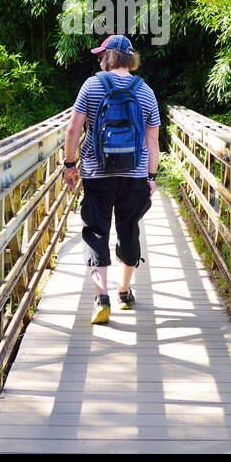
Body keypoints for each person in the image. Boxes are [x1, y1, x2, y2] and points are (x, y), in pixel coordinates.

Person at [63, 34, 161, 325]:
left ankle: (101, 297)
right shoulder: (146, 91)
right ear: (129, 59)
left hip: (97, 174)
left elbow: (72, 130)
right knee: (129, 228)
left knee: (96, 230)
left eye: (101, 54)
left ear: (109, 57)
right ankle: (125, 290)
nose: (99, 58)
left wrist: (70, 165)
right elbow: (153, 141)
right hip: (134, 175)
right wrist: (151, 176)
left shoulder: (92, 85)